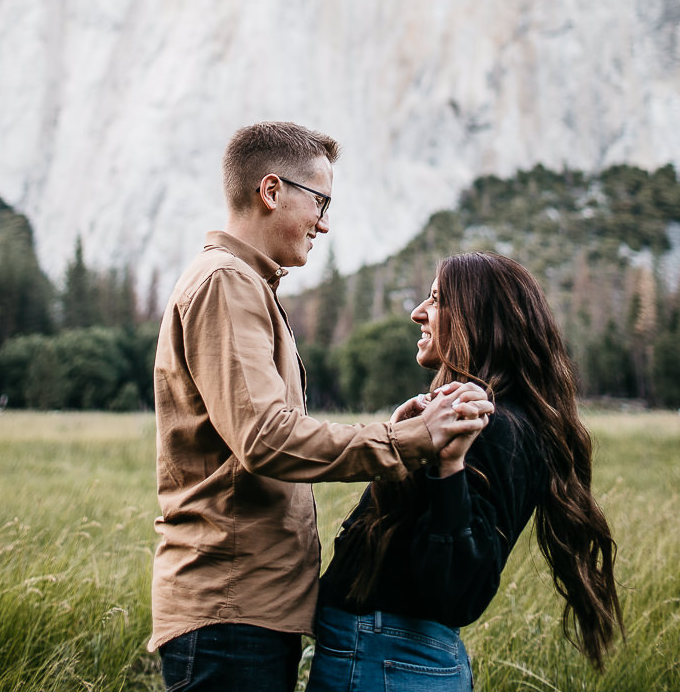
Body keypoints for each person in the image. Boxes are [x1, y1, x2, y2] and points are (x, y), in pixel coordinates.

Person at [149, 123, 492, 692]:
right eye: (320, 201)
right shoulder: (226, 283)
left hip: (250, 610)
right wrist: (406, 441)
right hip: (229, 611)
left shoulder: (246, 285)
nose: (325, 222)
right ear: (272, 191)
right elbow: (264, 439)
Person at [307, 251, 624, 691]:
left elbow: (455, 589)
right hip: (385, 658)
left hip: (387, 661)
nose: (418, 313)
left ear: (476, 318)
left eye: (435, 300)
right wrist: (401, 445)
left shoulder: (494, 429)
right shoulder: (477, 420)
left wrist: (449, 467)